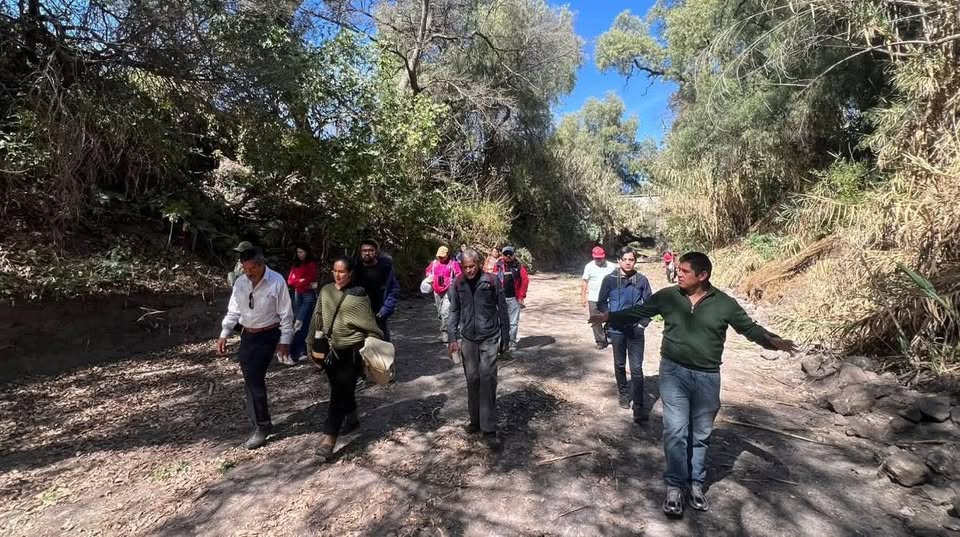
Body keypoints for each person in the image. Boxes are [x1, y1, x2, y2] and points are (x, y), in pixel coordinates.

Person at [589, 252, 797, 517]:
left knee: (700, 434)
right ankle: (675, 487)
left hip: (708, 377)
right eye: (678, 269)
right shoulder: (668, 296)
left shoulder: (724, 304)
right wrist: (609, 317)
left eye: (684, 271)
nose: (678, 274)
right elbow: (640, 311)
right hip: (673, 372)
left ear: (702, 276)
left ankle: (696, 484)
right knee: (675, 430)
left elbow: (749, 328)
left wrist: (772, 341)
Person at [306, 257, 384, 462]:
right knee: (340, 389)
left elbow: (372, 328)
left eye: (342, 272)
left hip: (351, 353)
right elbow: (317, 318)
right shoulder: (326, 291)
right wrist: (310, 345)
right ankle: (352, 417)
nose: (338, 275)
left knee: (338, 393)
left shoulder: (359, 297)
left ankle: (328, 439)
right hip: (329, 352)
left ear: (350, 273)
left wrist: (372, 353)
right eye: (334, 271)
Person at [217, 248, 295, 450]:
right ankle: (257, 418)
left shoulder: (277, 281)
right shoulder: (240, 283)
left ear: (261, 265)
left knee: (254, 377)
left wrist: (285, 341)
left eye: (252, 268)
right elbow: (233, 309)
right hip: (248, 334)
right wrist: (224, 333)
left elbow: (286, 314)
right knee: (249, 376)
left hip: (268, 334)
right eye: (245, 269)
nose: (248, 273)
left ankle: (263, 425)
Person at [447, 249, 510, 449]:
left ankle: (489, 429)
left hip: (490, 338)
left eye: (472, 266)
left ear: (479, 264)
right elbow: (454, 311)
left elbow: (503, 309)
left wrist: (505, 337)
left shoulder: (491, 281)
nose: (469, 270)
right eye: (465, 267)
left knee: (488, 379)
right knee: (472, 379)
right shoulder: (458, 284)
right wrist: (452, 338)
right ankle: (475, 422)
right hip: (468, 339)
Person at [596, 246, 653, 422]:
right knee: (619, 364)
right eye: (625, 259)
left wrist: (643, 324)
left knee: (636, 368)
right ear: (619, 260)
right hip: (616, 329)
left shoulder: (641, 280)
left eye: (632, 260)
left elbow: (650, 304)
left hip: (635, 331)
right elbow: (601, 302)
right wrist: (610, 317)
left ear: (635, 261)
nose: (628, 263)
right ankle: (623, 394)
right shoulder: (610, 279)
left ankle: (639, 406)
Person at [354, 239, 401, 341]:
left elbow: (394, 289)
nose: (367, 253)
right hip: (359, 311)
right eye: (364, 250)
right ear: (360, 252)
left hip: (379, 311)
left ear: (376, 252)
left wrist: (386, 309)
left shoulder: (385, 267)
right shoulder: (355, 268)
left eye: (371, 250)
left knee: (382, 343)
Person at [287, 244, 318, 362]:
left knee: (301, 321)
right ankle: (298, 350)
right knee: (299, 321)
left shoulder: (311, 264)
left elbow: (310, 280)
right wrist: (300, 282)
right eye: (298, 252)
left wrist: (299, 281)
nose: (300, 254)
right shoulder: (296, 264)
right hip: (298, 294)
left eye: (302, 252)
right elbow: (290, 281)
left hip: (308, 295)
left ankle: (297, 350)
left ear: (307, 252)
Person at [494, 246, 529, 350]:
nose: (508, 256)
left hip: (514, 298)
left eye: (510, 253)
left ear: (514, 254)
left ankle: (512, 343)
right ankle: (501, 343)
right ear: (502, 255)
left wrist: (521, 296)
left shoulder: (519, 266)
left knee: (513, 323)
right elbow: (493, 279)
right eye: (506, 254)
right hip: (500, 299)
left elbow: (525, 280)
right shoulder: (498, 265)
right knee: (500, 322)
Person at [425, 246, 462, 343]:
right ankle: (446, 328)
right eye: (439, 256)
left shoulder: (453, 264)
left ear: (447, 255)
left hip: (448, 290)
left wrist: (455, 284)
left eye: (443, 256)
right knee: (439, 312)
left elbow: (459, 275)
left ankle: (445, 332)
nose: (441, 258)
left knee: (445, 311)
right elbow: (428, 271)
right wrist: (429, 277)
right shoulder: (434, 263)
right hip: (436, 290)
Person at [581, 246, 616, 349]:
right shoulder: (589, 266)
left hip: (608, 298)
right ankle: (600, 341)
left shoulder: (611, 266)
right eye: (596, 258)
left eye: (600, 258)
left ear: (604, 256)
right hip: (593, 298)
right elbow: (584, 281)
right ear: (593, 257)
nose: (598, 260)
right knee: (595, 320)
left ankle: (609, 334)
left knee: (611, 318)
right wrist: (583, 297)